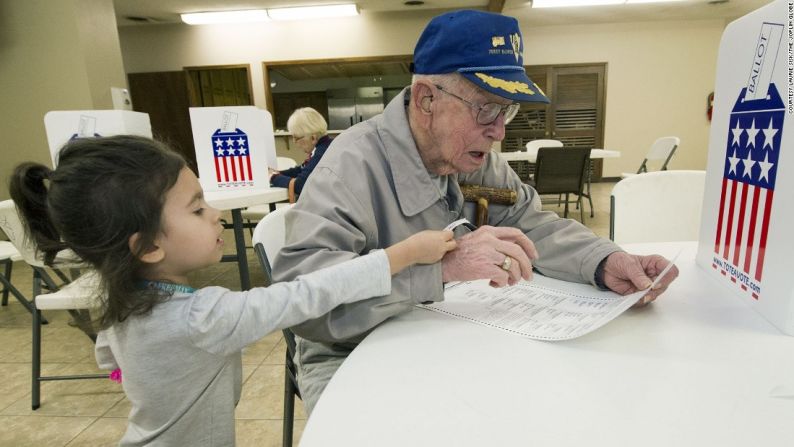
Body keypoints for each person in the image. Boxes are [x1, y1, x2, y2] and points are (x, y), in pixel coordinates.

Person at [273, 9, 680, 415]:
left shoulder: (477, 158)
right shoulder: (348, 167)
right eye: (486, 108)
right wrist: (440, 269)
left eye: (507, 111)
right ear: (426, 99)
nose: (499, 131)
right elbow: (303, 299)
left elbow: (530, 223)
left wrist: (603, 261)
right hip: (349, 348)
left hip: (440, 326)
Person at [8, 135, 455, 446]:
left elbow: (110, 358)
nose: (216, 214)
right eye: (197, 207)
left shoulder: (123, 302)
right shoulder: (201, 319)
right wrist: (404, 253)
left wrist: (139, 379)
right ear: (146, 246)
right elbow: (308, 293)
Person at [270, 107, 333, 199]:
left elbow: (300, 185)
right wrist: (277, 173)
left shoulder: (322, 152)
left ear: (313, 138)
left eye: (296, 138)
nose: (294, 142)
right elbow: (302, 169)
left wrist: (273, 177)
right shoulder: (326, 145)